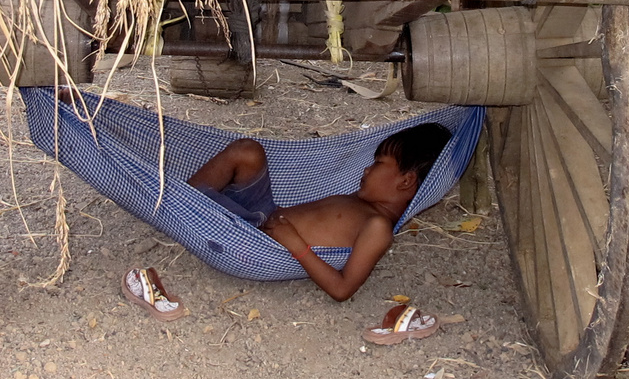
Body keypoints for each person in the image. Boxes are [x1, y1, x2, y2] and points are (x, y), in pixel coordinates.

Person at [164, 122, 454, 303]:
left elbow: (342, 289)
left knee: (232, 173)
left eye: (378, 163)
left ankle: (180, 206)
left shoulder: (377, 227)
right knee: (247, 150)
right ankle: (182, 201)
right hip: (262, 215)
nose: (366, 169)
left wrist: (295, 246)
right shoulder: (362, 202)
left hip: (256, 242)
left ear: (405, 181)